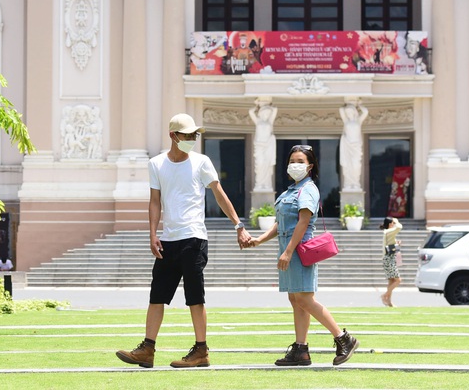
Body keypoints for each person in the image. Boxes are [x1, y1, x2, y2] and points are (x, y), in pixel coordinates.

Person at [116, 113, 252, 369]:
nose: (191, 139)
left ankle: (201, 351)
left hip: (194, 238)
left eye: (193, 136)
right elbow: (155, 201)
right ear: (173, 136)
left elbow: (219, 195)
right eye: (186, 135)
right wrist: (153, 234)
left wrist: (238, 225)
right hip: (168, 240)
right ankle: (147, 349)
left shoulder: (202, 162)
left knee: (195, 296)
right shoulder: (156, 164)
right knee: (157, 296)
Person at [246, 144, 359, 366]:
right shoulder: (291, 190)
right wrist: (259, 240)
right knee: (295, 299)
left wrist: (288, 252)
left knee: (304, 298)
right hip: (288, 248)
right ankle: (301, 350)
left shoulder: (308, 189)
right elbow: (281, 224)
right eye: (292, 161)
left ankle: (344, 339)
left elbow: (303, 221)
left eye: (300, 162)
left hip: (299, 249)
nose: (295, 165)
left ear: (310, 166)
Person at [380, 216, 404, 307]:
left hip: (388, 258)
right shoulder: (388, 231)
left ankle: (389, 302)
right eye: (393, 223)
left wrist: (396, 244)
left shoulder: (387, 232)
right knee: (398, 280)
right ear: (390, 224)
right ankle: (385, 295)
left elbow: (389, 246)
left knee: (391, 281)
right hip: (389, 259)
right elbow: (399, 227)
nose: (394, 224)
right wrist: (396, 220)